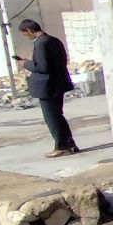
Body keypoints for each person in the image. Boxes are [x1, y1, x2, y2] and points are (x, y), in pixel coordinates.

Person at [14, 19, 79, 158]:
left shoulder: (41, 43)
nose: (26, 37)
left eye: (26, 34)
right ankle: (69, 144)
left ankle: (62, 146)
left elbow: (43, 67)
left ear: (30, 30)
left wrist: (25, 63)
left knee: (52, 118)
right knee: (58, 116)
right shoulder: (54, 40)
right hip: (57, 84)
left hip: (48, 86)